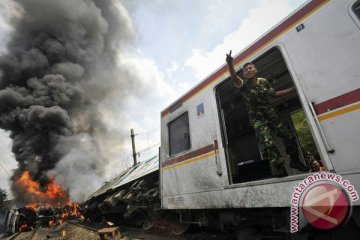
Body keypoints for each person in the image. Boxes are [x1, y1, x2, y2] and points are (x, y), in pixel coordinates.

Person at [225, 50, 309, 177]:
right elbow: (234, 77)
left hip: (271, 114)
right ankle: (279, 167)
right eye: (245, 70)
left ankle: (295, 160)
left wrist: (293, 88)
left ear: (255, 70)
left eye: (250, 68)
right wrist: (230, 64)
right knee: (268, 142)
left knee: (288, 136)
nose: (248, 71)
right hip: (257, 118)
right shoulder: (243, 85)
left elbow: (273, 94)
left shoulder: (263, 81)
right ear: (244, 74)